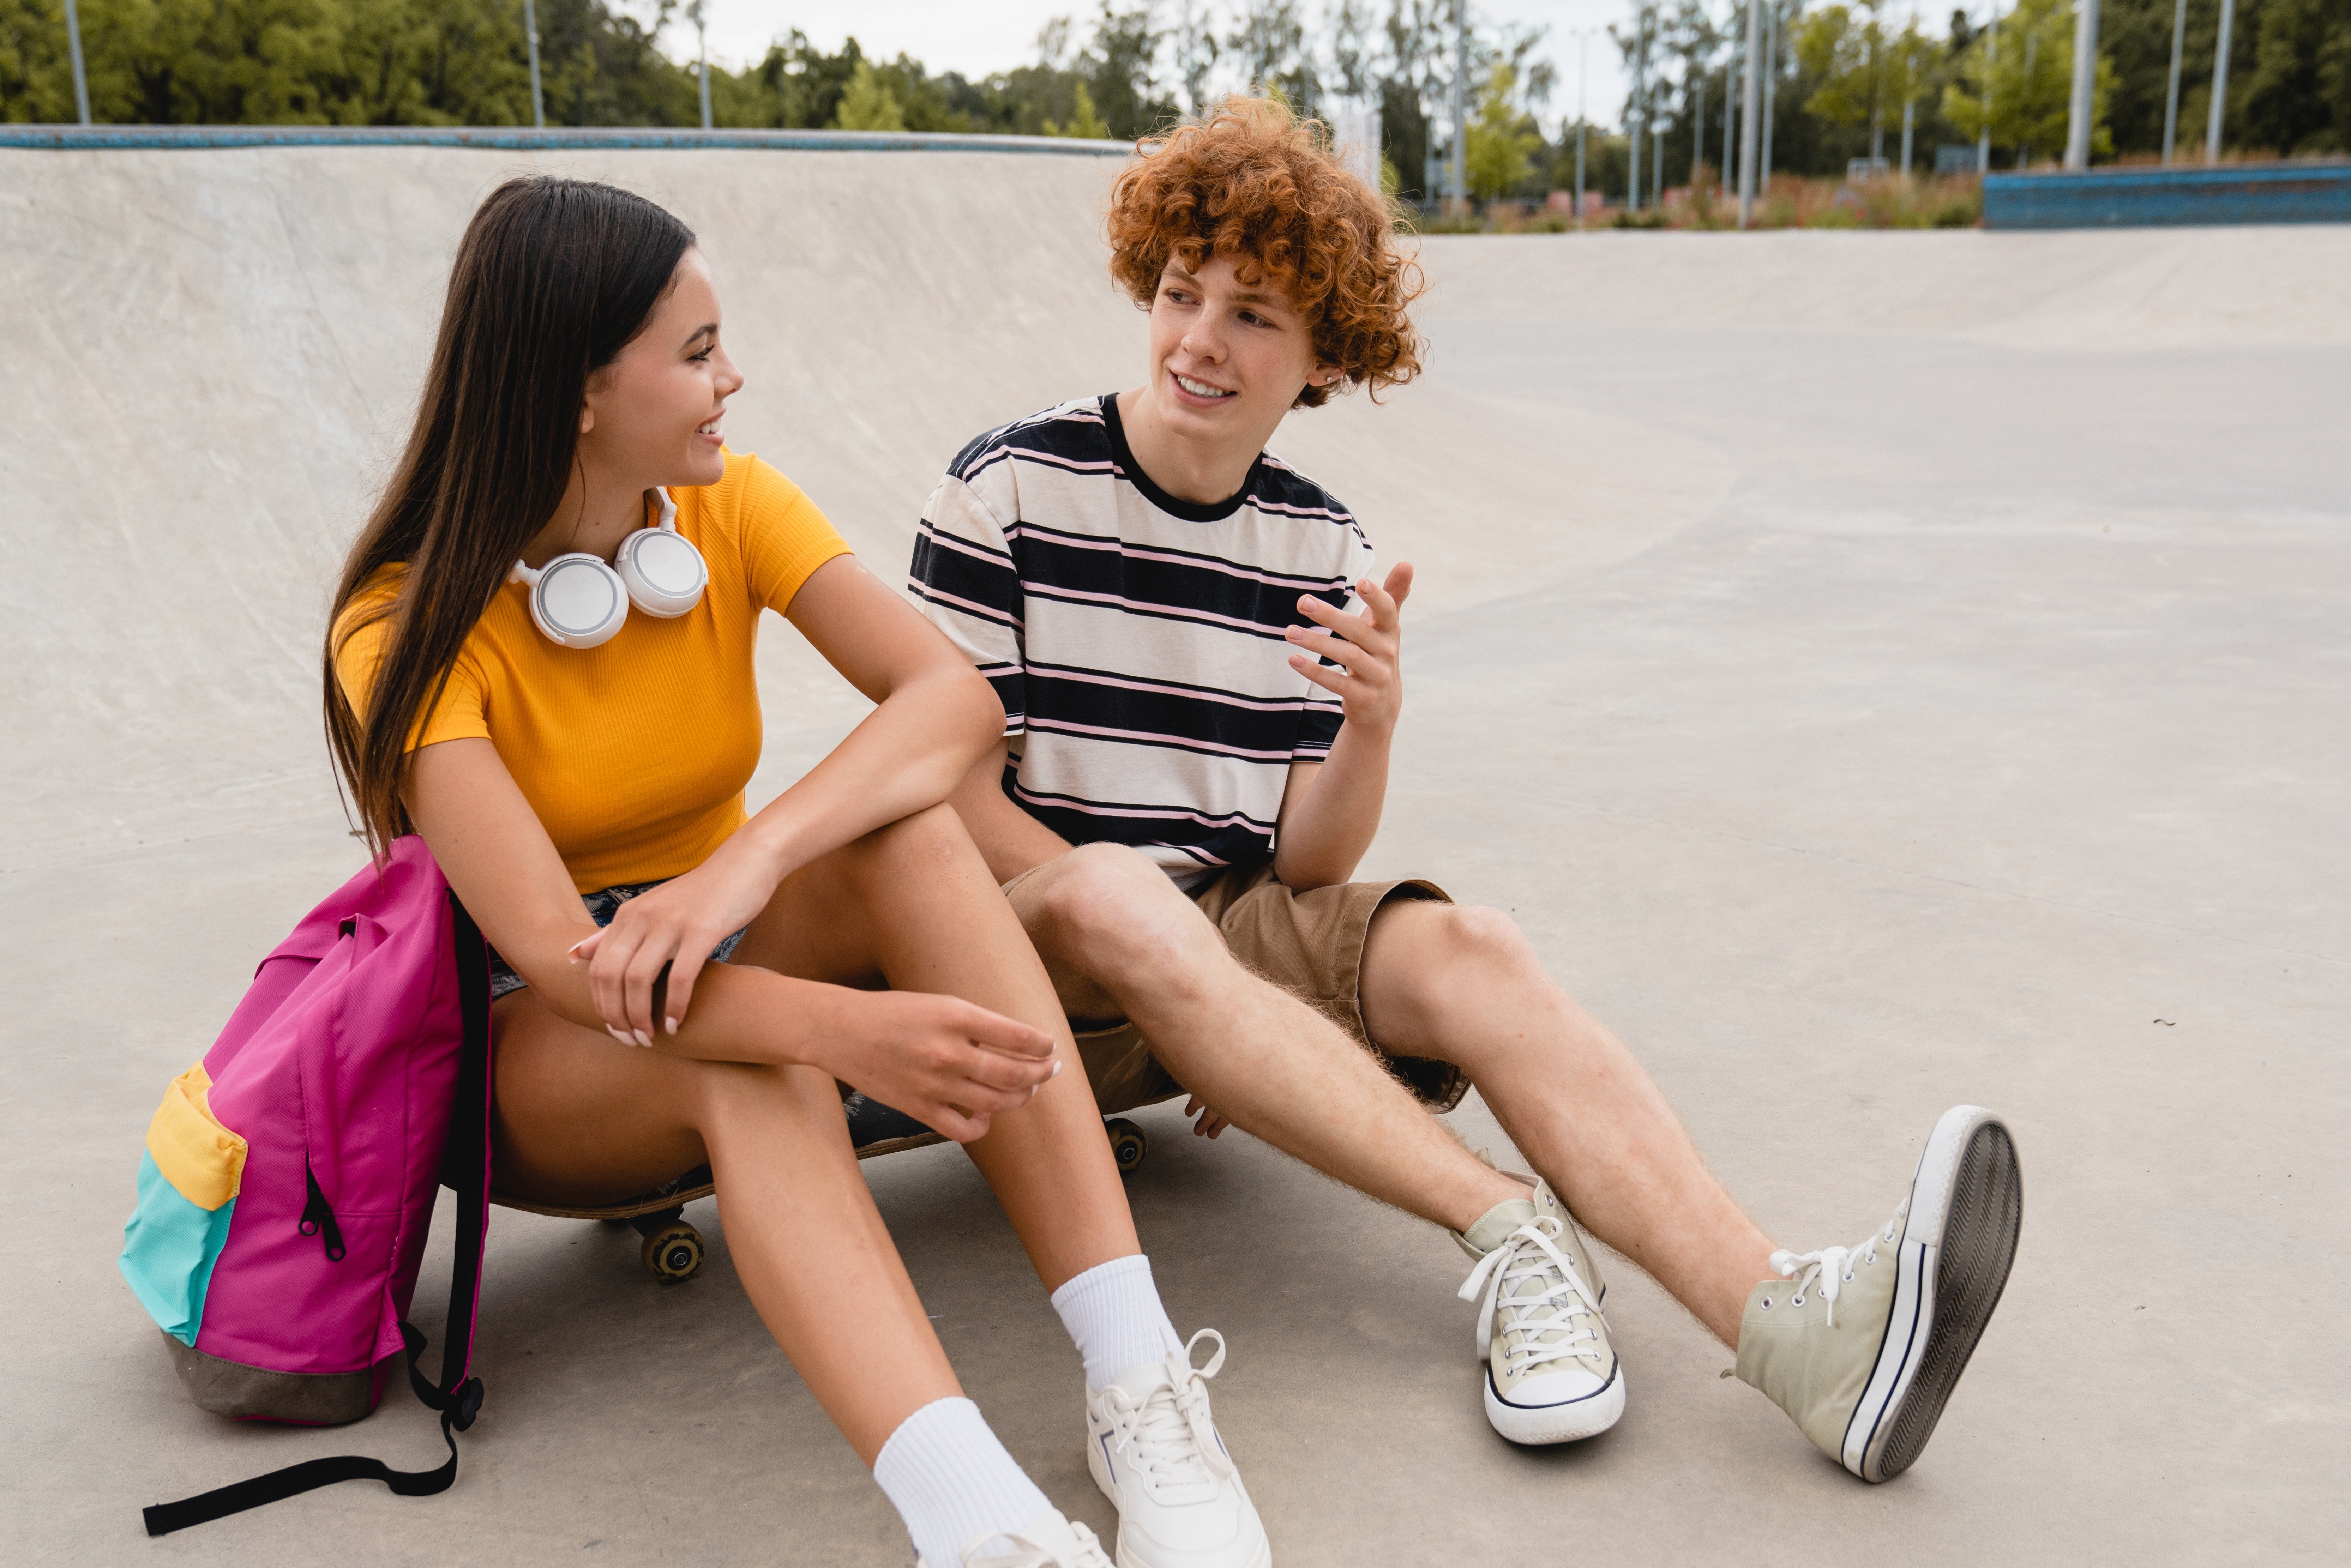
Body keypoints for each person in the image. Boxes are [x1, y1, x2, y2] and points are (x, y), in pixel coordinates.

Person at [909, 99, 2023, 1479]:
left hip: (1206, 946)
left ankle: (1792, 1327)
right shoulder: (1009, 488)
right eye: (1184, 294)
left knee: (1471, 946)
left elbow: (1305, 876)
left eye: (1254, 315)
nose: (1201, 339)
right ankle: (1512, 1224)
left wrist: (1369, 728)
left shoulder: (1318, 543)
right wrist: (1167, 957)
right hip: (1013, 958)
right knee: (1106, 893)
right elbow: (941, 787)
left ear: (1322, 355)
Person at [326, 177, 1273, 1568]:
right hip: (540, 1040)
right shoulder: (397, 623)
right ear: (579, 389)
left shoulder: (725, 510)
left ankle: (1140, 1384)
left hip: (708, 938)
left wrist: (748, 862)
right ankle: (984, 1526)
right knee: (757, 1069)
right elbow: (549, 952)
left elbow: (949, 702)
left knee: (903, 826)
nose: (734, 377)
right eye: (697, 350)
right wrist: (843, 1028)